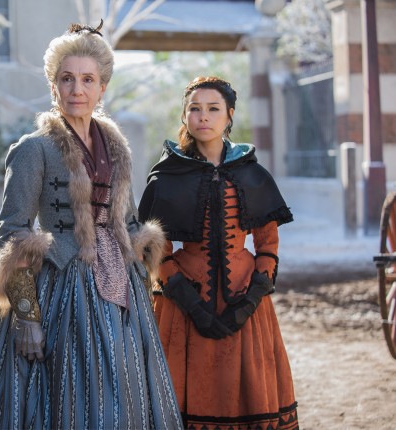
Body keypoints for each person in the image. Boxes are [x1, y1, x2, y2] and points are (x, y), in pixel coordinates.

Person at [0, 21, 183, 430]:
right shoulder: (33, 150)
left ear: (102, 87)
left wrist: (141, 273)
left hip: (119, 284)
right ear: (54, 86)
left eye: (88, 79)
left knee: (125, 394)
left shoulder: (117, 150)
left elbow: (127, 222)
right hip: (60, 287)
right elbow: (13, 235)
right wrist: (26, 316)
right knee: (68, 399)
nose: (77, 89)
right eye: (67, 78)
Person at [138, 76, 299, 430]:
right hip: (181, 302)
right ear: (184, 116)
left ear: (230, 115)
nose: (203, 117)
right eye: (195, 109)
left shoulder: (252, 174)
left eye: (213, 108)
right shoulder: (167, 176)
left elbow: (267, 244)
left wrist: (250, 299)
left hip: (244, 298)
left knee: (245, 394)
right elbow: (156, 247)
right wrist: (188, 300)